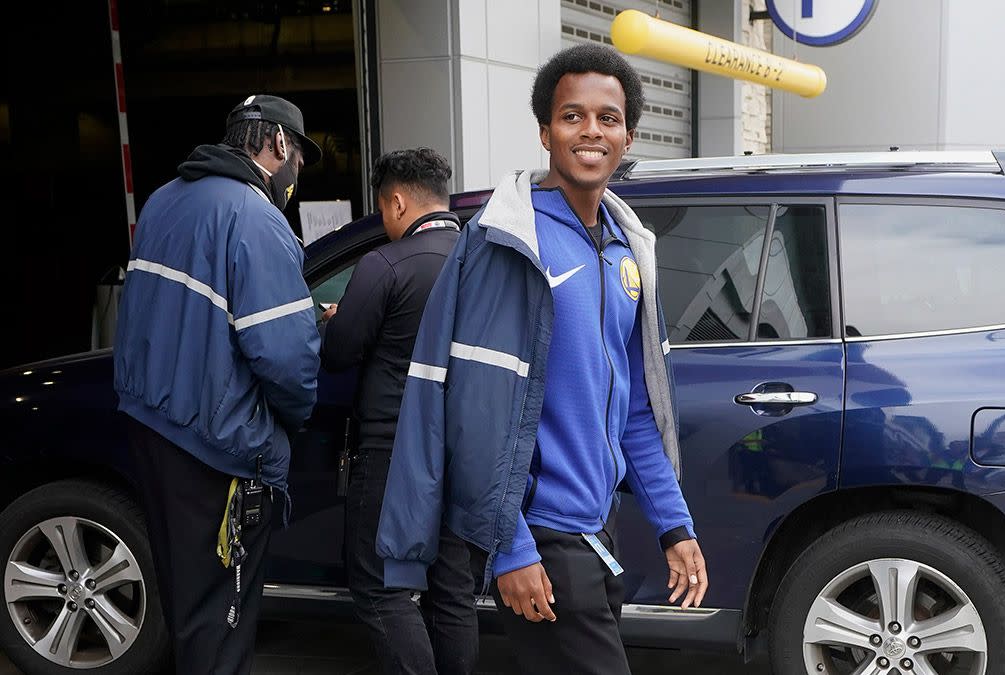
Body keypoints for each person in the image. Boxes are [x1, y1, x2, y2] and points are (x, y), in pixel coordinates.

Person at [376, 44, 708, 675]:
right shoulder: (511, 243)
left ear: (629, 134)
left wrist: (675, 526)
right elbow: (477, 415)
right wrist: (510, 547)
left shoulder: (626, 247)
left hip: (596, 533)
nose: (590, 131)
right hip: (543, 539)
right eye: (572, 116)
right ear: (545, 132)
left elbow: (637, 410)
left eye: (607, 118)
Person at [112, 94, 322, 675]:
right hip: (217, 447)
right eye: (299, 157)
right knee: (221, 622)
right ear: (279, 144)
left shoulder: (163, 201)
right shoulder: (255, 217)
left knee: (190, 608)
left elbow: (184, 316)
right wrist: (297, 413)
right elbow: (284, 358)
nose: (296, 173)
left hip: (153, 427)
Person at [319, 148, 477, 675]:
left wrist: (338, 320)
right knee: (451, 590)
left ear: (397, 201)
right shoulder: (480, 260)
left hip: (392, 452)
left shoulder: (385, 264)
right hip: (464, 452)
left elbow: (340, 352)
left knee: (380, 588)